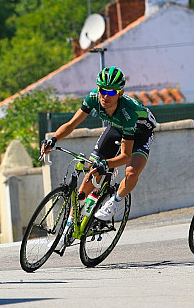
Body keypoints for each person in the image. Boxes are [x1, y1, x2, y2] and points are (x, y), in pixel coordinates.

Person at [41, 66, 156, 222]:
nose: (105, 96)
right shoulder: (93, 98)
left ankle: (114, 202)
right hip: (116, 127)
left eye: (111, 92)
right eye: (102, 90)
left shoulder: (129, 113)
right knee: (92, 171)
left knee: (131, 173)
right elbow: (71, 124)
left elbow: (125, 156)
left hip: (140, 132)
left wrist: (107, 163)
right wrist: (53, 139)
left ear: (120, 93)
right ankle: (71, 223)